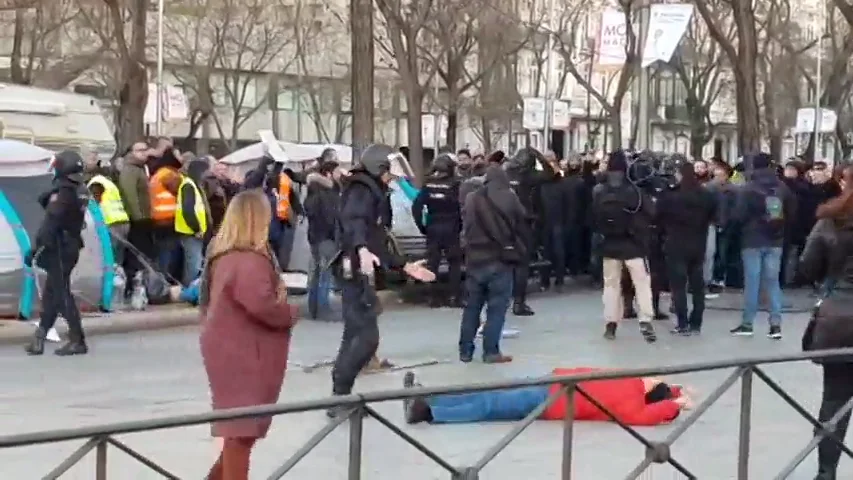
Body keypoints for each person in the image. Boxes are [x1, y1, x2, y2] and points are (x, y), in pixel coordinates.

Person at [328, 144, 436, 418]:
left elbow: (376, 237)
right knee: (366, 337)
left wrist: (404, 265)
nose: (393, 176)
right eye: (389, 170)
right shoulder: (362, 189)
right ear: (379, 168)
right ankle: (339, 396)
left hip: (358, 266)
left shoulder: (370, 189)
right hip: (354, 267)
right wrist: (362, 248)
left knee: (354, 334)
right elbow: (354, 223)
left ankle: (340, 397)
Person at [200, 190, 298, 480]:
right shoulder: (248, 261)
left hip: (229, 348)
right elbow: (261, 304)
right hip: (245, 353)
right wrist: (290, 312)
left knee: (240, 430)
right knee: (242, 432)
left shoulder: (224, 256)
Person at [401, 368, 692, 426]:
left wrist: (674, 403)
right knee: (490, 394)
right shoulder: (634, 386)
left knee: (491, 404)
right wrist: (677, 396)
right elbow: (662, 396)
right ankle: (431, 398)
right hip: (553, 385)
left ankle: (429, 411)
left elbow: (648, 413)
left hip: (551, 399)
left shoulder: (631, 402)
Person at [24, 151, 91, 356]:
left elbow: (51, 222)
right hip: (70, 246)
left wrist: (36, 248)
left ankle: (77, 339)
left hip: (59, 247)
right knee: (53, 293)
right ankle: (39, 338)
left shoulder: (63, 191)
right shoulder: (81, 189)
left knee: (60, 294)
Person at [459, 165, 526, 364]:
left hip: (475, 260)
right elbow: (521, 221)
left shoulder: (472, 198)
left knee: (472, 307)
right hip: (499, 259)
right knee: (496, 308)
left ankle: (465, 350)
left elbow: (466, 227)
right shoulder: (510, 196)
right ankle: (491, 351)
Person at [592, 149, 657, 343]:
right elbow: (651, 212)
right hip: (634, 245)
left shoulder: (599, 190)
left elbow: (593, 217)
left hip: (609, 245)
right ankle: (645, 319)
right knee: (642, 283)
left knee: (611, 285)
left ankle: (611, 323)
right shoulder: (635, 190)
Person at [729, 153, 796, 339]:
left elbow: (738, 215)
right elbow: (792, 212)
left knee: (752, 283)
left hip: (752, 240)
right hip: (776, 241)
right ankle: (775, 326)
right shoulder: (782, 187)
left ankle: (747, 324)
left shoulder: (748, 188)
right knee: (773, 283)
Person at [657, 162, 717, 335]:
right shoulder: (706, 195)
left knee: (678, 286)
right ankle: (696, 322)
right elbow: (713, 216)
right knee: (698, 286)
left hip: (676, 244)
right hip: (698, 244)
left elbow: (658, 217)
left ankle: (682, 323)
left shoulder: (671, 196)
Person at [802, 288, 853, 480]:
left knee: (834, 401)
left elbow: (808, 267)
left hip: (839, 319)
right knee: (834, 401)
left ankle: (826, 471)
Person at [504, 147, 553, 316]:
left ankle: (502, 299)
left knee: (503, 262)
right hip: (524, 221)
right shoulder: (530, 176)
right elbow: (552, 173)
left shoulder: (507, 173)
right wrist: (540, 156)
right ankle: (519, 302)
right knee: (522, 263)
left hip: (503, 221)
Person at [412, 154, 463, 307]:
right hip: (452, 226)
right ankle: (454, 297)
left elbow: (416, 207)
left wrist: (422, 226)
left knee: (433, 263)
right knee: (454, 263)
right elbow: (462, 206)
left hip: (433, 226)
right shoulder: (456, 184)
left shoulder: (429, 184)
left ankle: (433, 298)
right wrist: (460, 225)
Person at [304, 160, 342, 319]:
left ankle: (314, 307)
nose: (340, 175)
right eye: (337, 172)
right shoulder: (328, 193)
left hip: (315, 235)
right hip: (326, 236)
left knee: (317, 271)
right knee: (325, 271)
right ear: (328, 174)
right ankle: (322, 308)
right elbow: (331, 216)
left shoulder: (313, 190)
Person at [118, 141, 155, 291]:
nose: (144, 153)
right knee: (135, 255)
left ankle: (142, 286)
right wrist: (138, 217)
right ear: (131, 152)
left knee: (143, 254)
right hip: (137, 220)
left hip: (145, 218)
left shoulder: (140, 168)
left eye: (145, 150)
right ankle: (132, 287)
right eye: (140, 150)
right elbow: (129, 195)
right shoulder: (130, 170)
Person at [174, 159, 212, 285]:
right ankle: (189, 290)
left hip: (195, 232)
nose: (208, 174)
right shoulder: (188, 185)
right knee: (193, 265)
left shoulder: (194, 185)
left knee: (195, 263)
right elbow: (188, 210)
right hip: (191, 232)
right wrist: (196, 229)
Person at [88, 167, 131, 266]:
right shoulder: (110, 184)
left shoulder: (96, 183)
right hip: (123, 222)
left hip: (111, 224)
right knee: (118, 259)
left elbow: (94, 204)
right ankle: (119, 278)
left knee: (109, 258)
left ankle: (112, 279)